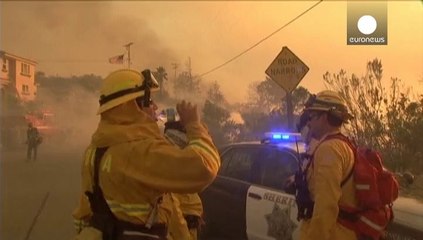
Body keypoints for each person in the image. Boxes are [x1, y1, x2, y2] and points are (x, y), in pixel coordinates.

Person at [72, 69, 221, 240]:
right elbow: (204, 167)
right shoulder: (140, 151)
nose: (155, 107)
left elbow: (84, 213)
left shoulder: (94, 150)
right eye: (149, 101)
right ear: (134, 105)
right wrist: (194, 125)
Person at [296, 90, 356, 240]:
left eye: (312, 117)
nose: (309, 122)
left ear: (324, 117)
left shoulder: (329, 149)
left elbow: (325, 206)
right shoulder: (342, 145)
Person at [163, 120, 204, 240]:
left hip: (187, 226)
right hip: (180, 231)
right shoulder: (171, 166)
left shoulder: (177, 163)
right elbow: (174, 213)